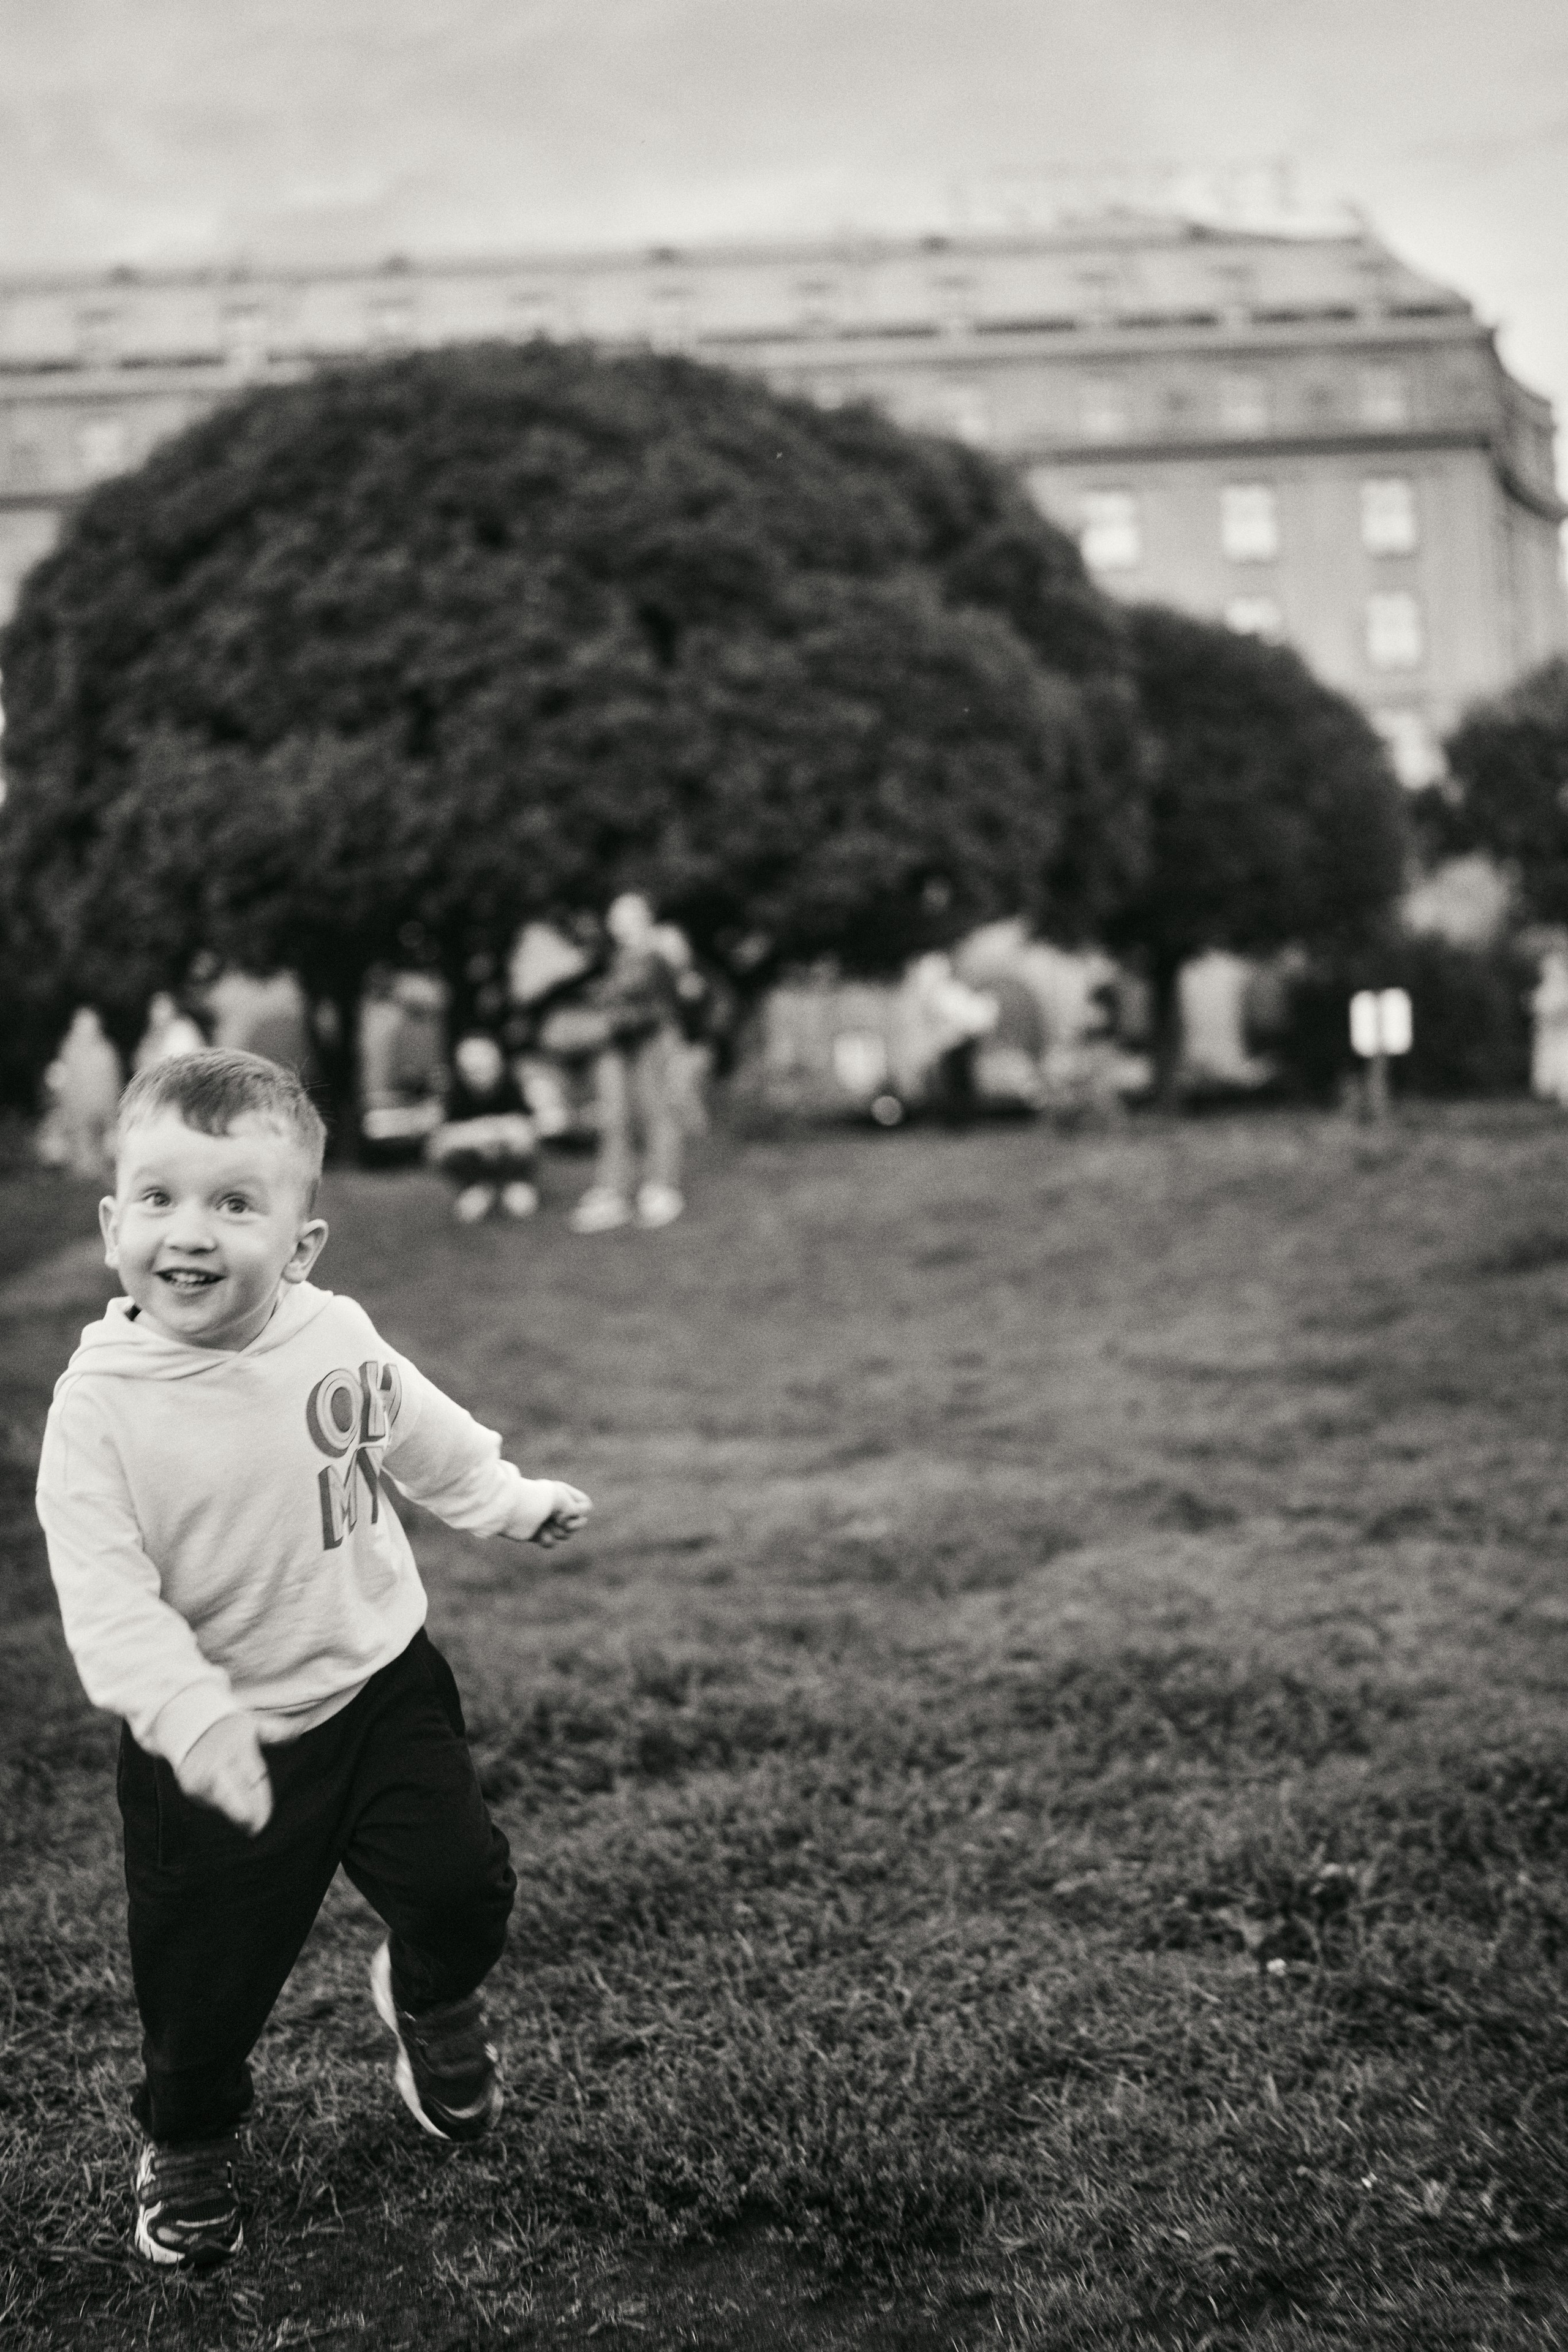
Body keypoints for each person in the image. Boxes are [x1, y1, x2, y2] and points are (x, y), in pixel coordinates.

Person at [34, 1049, 591, 2271]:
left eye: (237, 1203)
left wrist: (507, 1498)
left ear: (303, 1241)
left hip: (382, 1684)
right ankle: (185, 2146)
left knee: (463, 1888)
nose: (192, 1231)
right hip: (218, 1741)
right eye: (161, 1198)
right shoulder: (101, 1409)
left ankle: (429, 2004)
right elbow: (106, 1600)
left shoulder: (329, 1335)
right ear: (112, 1221)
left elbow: (418, 1431)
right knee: (203, 1990)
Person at [568, 892, 687, 1234]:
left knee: (658, 1112)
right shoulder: (621, 958)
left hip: (651, 1041)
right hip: (620, 1042)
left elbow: (659, 1002)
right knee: (614, 1116)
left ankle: (661, 1187)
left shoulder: (658, 955)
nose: (619, 923)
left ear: (645, 917)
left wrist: (608, 1002)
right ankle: (613, 1193)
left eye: (627, 915)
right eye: (615, 916)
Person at [426, 1033, 540, 1222]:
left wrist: (484, 1132)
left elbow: (529, 1134)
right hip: (472, 1164)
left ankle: (512, 1184)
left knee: (522, 1206)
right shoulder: (453, 1093)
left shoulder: (514, 1086)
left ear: (498, 1065)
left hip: (510, 1163)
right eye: (471, 1071)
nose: (478, 1077)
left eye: (484, 1069)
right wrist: (484, 1133)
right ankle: (479, 1186)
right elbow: (437, 1146)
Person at [36, 1008, 124, 1178]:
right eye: (81, 1025)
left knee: (100, 1151)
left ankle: (95, 1177)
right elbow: (64, 1080)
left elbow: (113, 1083)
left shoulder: (105, 1051)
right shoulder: (69, 1048)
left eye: (89, 1025)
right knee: (77, 1150)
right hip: (75, 1110)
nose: (85, 1030)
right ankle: (82, 1177)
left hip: (100, 1111)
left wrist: (111, 1112)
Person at [133, 990, 207, 1072]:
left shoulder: (183, 1029)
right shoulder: (150, 1035)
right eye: (156, 1007)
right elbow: (138, 1063)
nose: (158, 1013)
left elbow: (188, 1061)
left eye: (163, 1007)